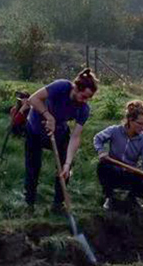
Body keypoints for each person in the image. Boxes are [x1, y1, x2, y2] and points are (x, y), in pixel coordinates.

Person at [23, 69, 98, 213]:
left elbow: (75, 137)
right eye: (84, 96)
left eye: (89, 98)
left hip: (59, 132)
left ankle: (58, 204)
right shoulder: (61, 86)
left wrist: (68, 163)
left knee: (64, 167)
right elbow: (33, 99)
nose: (85, 101)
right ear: (76, 89)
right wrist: (48, 116)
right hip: (35, 128)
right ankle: (30, 203)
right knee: (33, 165)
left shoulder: (83, 110)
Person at [93, 100, 143, 212]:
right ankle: (109, 196)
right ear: (130, 120)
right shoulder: (114, 131)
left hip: (130, 173)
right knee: (103, 165)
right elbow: (97, 139)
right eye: (140, 124)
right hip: (113, 170)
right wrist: (101, 151)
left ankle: (133, 197)